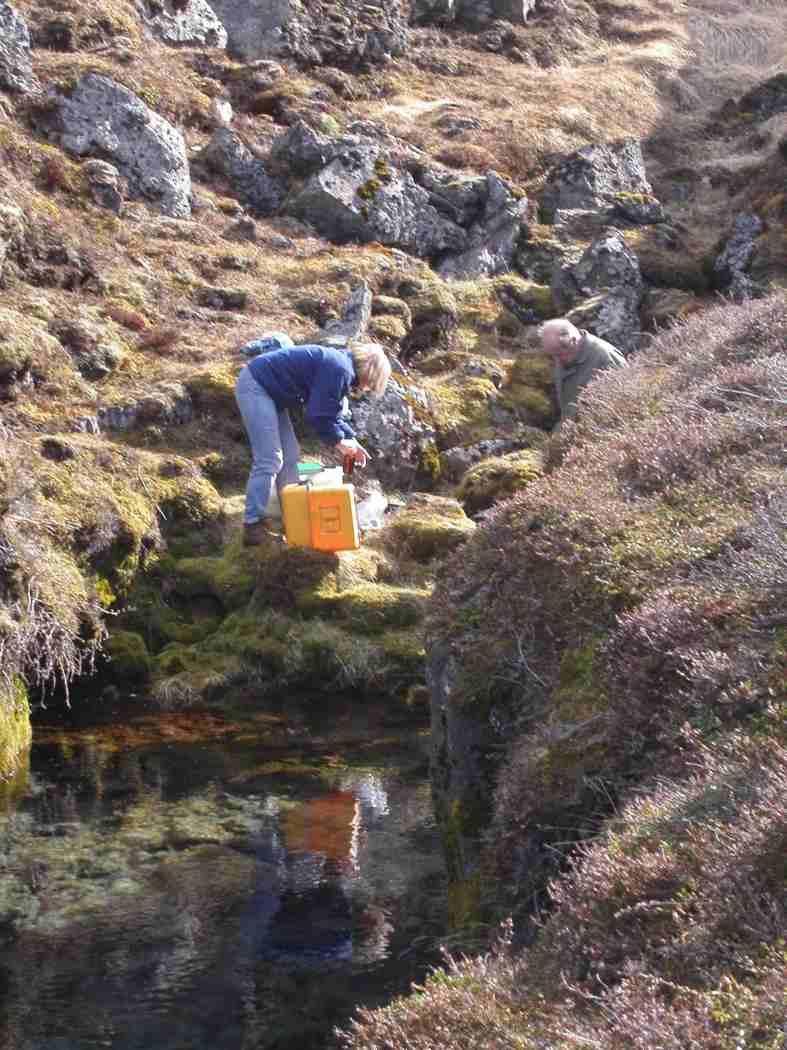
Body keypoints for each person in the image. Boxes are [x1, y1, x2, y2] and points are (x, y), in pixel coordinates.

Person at [235, 334, 391, 547]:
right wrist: (339, 442)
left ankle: (292, 518)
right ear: (369, 373)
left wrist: (351, 440)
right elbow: (317, 415)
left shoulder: (340, 368)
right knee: (270, 458)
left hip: (271, 394)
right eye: (370, 385)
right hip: (256, 386)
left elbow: (331, 413)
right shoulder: (340, 369)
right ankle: (252, 526)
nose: (366, 389)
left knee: (290, 456)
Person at [539, 319, 627, 427]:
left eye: (558, 354)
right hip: (570, 428)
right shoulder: (564, 353)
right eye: (552, 355)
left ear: (573, 341)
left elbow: (624, 402)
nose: (556, 359)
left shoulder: (606, 358)